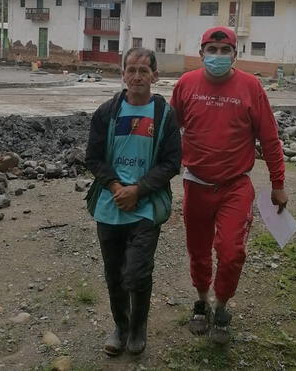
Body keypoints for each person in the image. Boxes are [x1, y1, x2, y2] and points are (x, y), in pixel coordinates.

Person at [170, 27, 288, 344]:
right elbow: (170, 130)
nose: (218, 56)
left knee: (232, 251)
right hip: (195, 183)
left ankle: (221, 306)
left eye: (225, 51)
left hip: (235, 185)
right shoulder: (185, 84)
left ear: (235, 54)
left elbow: (270, 139)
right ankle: (201, 301)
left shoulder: (251, 87)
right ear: (202, 53)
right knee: (198, 250)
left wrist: (278, 183)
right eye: (212, 50)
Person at [84, 47, 181, 355]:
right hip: (110, 205)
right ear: (122, 74)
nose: (137, 76)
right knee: (114, 274)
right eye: (131, 69)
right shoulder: (106, 112)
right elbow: (93, 158)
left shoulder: (164, 115)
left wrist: (137, 190)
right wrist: (115, 187)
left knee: (136, 273)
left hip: (146, 206)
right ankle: (121, 327)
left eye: (143, 70)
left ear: (155, 75)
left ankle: (139, 327)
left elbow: (170, 163)